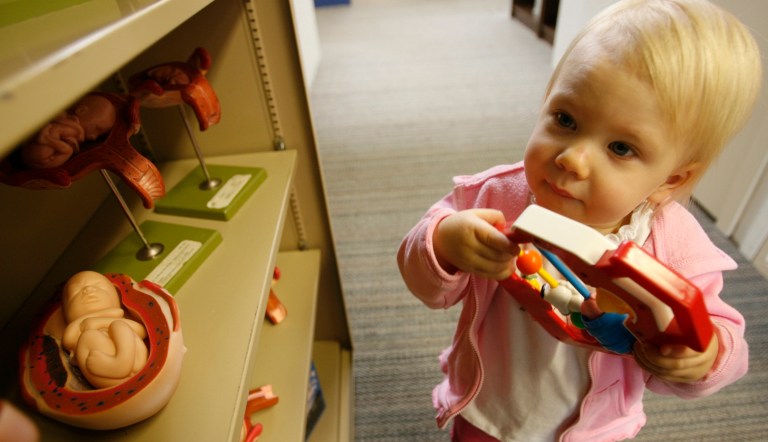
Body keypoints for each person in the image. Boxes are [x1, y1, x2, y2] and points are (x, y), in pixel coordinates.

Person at [397, 0, 761, 440]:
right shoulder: (495, 195)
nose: (572, 159)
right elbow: (423, 277)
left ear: (670, 180)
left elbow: (725, 341)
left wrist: (704, 357)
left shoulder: (676, 253)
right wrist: (443, 243)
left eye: (620, 148)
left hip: (593, 428)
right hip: (489, 405)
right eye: (565, 119)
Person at [61, 271, 149, 389]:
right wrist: (98, 317)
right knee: (89, 337)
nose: (88, 289)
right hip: (103, 373)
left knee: (119, 325)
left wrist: (101, 321)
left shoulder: (118, 318)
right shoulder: (77, 325)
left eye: (98, 285)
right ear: (67, 312)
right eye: (76, 291)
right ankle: (117, 366)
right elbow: (68, 339)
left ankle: (121, 363)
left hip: (135, 358)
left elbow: (141, 331)